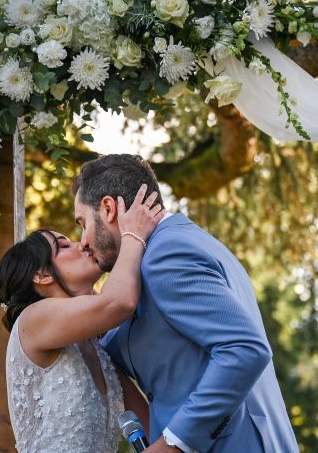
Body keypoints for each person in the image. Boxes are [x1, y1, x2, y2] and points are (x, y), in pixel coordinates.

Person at [72, 154, 299, 453]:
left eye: (83, 223)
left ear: (109, 208)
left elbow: (244, 349)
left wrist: (175, 443)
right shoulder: (169, 247)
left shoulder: (168, 253)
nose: (82, 242)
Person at [0, 184, 164, 453]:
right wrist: (132, 234)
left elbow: (150, 426)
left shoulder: (98, 351)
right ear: (42, 275)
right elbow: (119, 302)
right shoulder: (32, 319)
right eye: (63, 246)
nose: (82, 243)